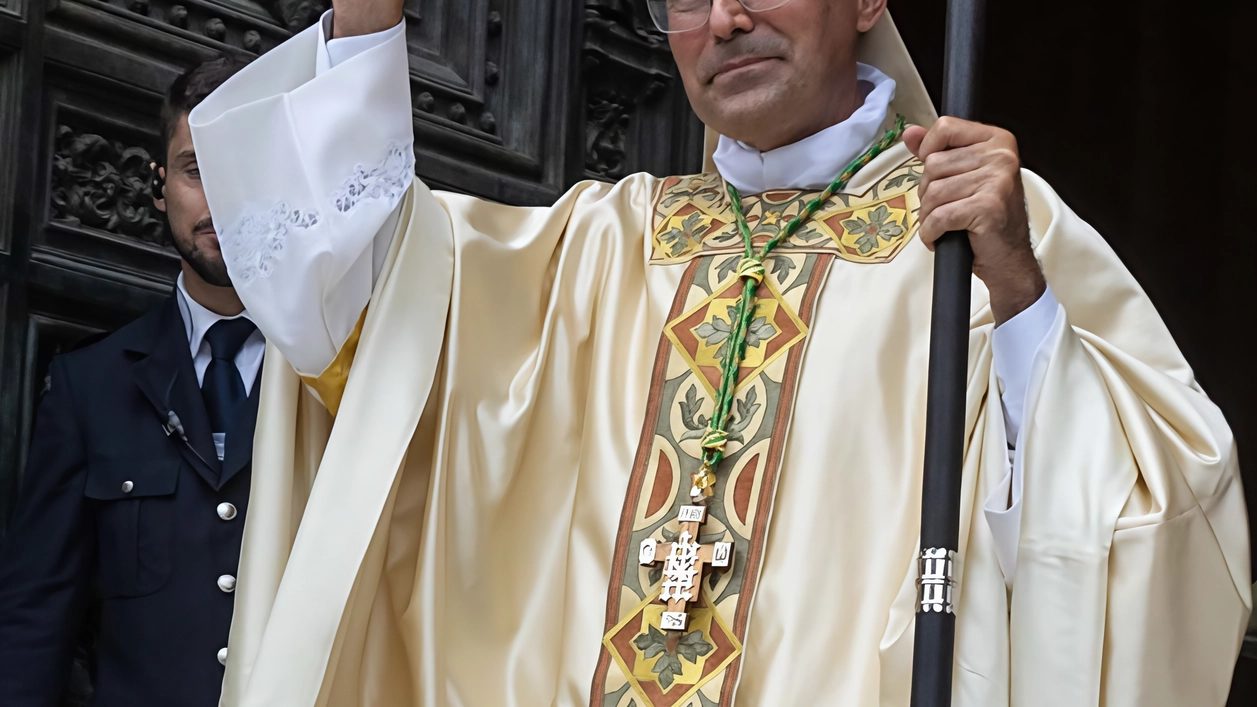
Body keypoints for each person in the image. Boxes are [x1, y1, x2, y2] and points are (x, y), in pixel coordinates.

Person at [190, 0, 1251, 705]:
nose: (725, 18)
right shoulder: (588, 251)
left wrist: (1020, 303)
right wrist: (370, 19)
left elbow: (1150, 514)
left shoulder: (979, 239)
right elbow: (345, 311)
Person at [0, 58, 263, 707]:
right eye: (197, 170)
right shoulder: (89, 386)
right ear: (158, 185)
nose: (219, 199)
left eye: (245, 167)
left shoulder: (335, 380)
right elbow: (36, 618)